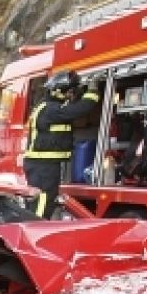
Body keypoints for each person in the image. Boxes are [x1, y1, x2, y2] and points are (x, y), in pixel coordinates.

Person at [22, 70, 100, 217]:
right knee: (42, 204)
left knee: (43, 202)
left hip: (43, 165)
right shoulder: (51, 109)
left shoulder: (47, 107)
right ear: (59, 91)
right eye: (70, 91)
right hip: (43, 167)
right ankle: (34, 233)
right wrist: (93, 92)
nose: (71, 95)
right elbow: (78, 109)